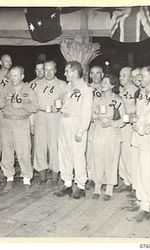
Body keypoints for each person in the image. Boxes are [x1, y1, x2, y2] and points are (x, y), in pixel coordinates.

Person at [0, 66, 39, 194]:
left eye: (16, 76)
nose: (13, 78)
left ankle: (26, 180)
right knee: (7, 151)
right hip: (7, 122)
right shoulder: (5, 88)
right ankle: (9, 178)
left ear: (22, 76)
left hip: (21, 122)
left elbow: (35, 107)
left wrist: (22, 105)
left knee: (24, 151)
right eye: (11, 76)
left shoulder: (28, 89)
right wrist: (4, 101)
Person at [56, 61, 93, 199]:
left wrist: (81, 131)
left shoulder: (86, 89)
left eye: (67, 71)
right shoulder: (69, 87)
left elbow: (86, 112)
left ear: (75, 72)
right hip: (64, 122)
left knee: (78, 155)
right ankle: (67, 183)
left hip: (76, 124)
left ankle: (81, 185)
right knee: (64, 153)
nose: (65, 73)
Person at [32, 60, 66, 188]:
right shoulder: (36, 85)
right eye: (46, 70)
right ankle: (42, 177)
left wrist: (59, 107)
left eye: (51, 70)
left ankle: (55, 176)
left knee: (54, 147)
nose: (49, 72)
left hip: (55, 119)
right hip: (40, 117)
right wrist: (31, 123)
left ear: (56, 70)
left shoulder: (62, 85)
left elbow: (67, 103)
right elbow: (31, 105)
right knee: (40, 147)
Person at [91, 74, 125, 200]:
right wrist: (96, 115)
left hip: (112, 135)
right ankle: (97, 188)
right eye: (102, 83)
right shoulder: (97, 99)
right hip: (99, 134)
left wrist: (112, 123)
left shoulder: (118, 100)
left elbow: (124, 119)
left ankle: (109, 190)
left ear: (112, 85)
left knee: (111, 161)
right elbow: (92, 116)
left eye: (105, 83)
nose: (102, 85)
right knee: (97, 160)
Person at [133, 66, 150, 222]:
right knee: (145, 171)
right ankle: (145, 206)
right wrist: (141, 127)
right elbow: (141, 121)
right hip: (147, 142)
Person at [117, 67, 139, 195]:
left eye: (124, 75)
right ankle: (126, 181)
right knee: (121, 155)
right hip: (120, 127)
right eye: (120, 75)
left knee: (129, 156)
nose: (121, 78)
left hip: (129, 128)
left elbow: (134, 109)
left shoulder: (135, 91)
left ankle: (134, 184)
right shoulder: (120, 91)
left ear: (131, 77)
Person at [86, 65, 104, 189]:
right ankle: (90, 177)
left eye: (98, 73)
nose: (96, 75)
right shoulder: (87, 88)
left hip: (101, 123)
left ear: (102, 74)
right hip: (89, 123)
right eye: (93, 73)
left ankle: (101, 177)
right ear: (90, 75)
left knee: (101, 152)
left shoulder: (106, 87)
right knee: (89, 151)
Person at [28, 61, 45, 173]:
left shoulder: (49, 84)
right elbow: (29, 104)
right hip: (35, 116)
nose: (40, 72)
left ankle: (47, 168)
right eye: (37, 69)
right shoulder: (31, 84)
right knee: (34, 144)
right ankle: (35, 168)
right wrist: (31, 122)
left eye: (42, 69)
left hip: (46, 117)